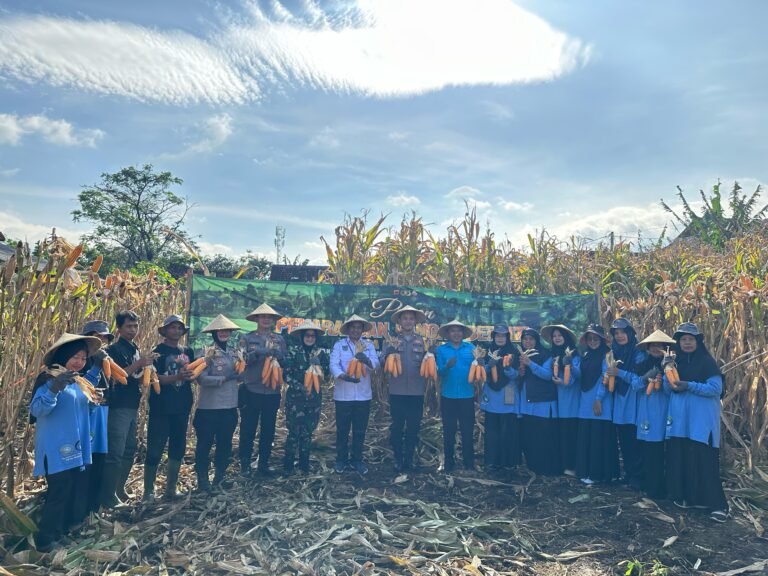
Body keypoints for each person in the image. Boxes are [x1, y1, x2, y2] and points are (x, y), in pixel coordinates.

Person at [30, 333, 102, 552]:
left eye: (83, 357)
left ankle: (59, 532)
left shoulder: (77, 381)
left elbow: (80, 408)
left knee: (69, 491)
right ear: (63, 356)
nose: (79, 361)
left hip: (75, 447)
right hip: (55, 447)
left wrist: (93, 403)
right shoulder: (50, 378)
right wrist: (54, 389)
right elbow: (37, 410)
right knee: (58, 493)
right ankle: (45, 539)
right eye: (75, 357)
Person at [664, 322, 728, 522]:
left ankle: (718, 506)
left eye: (691, 340)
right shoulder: (676, 364)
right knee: (685, 459)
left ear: (698, 342)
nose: (687, 343)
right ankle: (690, 498)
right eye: (683, 340)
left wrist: (688, 385)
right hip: (681, 423)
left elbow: (715, 389)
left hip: (701, 423)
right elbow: (670, 390)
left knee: (704, 461)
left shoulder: (707, 363)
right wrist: (668, 377)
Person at [101, 311, 155, 508]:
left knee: (129, 448)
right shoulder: (113, 350)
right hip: (118, 406)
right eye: (129, 326)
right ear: (119, 329)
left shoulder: (134, 349)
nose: (133, 330)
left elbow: (134, 377)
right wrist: (140, 363)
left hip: (132, 404)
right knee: (115, 451)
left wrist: (148, 373)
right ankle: (108, 496)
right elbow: (118, 376)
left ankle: (118, 488)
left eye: (135, 326)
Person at [145, 314, 195, 501]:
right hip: (161, 407)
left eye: (179, 327)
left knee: (178, 447)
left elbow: (192, 375)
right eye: (172, 327)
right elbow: (153, 379)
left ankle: (170, 489)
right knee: (155, 448)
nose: (176, 330)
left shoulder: (187, 351)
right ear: (165, 331)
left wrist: (190, 375)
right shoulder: (157, 352)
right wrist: (177, 377)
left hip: (182, 406)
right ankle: (148, 491)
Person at [194, 314, 243, 492]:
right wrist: (223, 378)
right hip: (209, 407)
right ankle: (202, 479)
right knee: (204, 444)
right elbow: (200, 378)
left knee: (225, 444)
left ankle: (220, 477)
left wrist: (241, 374)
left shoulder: (234, 352)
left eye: (226, 330)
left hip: (230, 406)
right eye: (220, 330)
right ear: (214, 332)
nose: (223, 333)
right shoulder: (206, 352)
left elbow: (239, 374)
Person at [238, 303, 287, 477]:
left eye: (269, 317)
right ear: (257, 319)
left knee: (268, 430)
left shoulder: (279, 340)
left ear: (273, 320)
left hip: (272, 391)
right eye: (263, 316)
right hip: (251, 389)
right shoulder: (247, 338)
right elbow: (241, 361)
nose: (266, 319)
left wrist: (278, 356)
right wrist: (259, 352)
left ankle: (263, 464)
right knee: (248, 429)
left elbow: (285, 362)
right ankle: (245, 464)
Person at [329, 314, 379, 474]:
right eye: (353, 327)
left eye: (359, 327)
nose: (356, 330)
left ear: (363, 330)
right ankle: (341, 460)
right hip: (343, 395)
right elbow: (333, 365)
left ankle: (357, 459)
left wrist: (367, 361)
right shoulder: (339, 345)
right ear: (348, 329)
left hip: (363, 395)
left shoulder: (369, 346)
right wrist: (344, 376)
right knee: (342, 429)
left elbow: (375, 365)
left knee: (360, 429)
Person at [506, 327, 559, 475]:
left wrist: (531, 364)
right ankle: (533, 467)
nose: (528, 342)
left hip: (542, 403)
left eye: (531, 339)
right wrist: (515, 371)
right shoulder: (517, 356)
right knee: (529, 438)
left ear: (537, 341)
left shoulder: (545, 355)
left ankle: (547, 469)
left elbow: (548, 375)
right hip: (525, 404)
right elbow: (515, 379)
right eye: (525, 339)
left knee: (543, 438)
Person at [382, 306, 429, 472]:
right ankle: (398, 458)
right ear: (400, 322)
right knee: (397, 426)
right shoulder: (391, 340)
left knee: (414, 427)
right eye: (405, 318)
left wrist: (432, 355)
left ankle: (409, 458)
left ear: (415, 322)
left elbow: (429, 365)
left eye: (411, 318)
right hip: (397, 391)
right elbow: (383, 364)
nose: (408, 321)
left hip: (417, 391)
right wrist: (387, 353)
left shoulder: (423, 342)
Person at [632, 329, 676, 499]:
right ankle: (650, 487)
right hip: (646, 412)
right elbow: (635, 386)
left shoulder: (672, 365)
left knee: (661, 452)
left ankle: (662, 488)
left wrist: (664, 375)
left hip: (664, 412)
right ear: (648, 348)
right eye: (653, 346)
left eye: (660, 345)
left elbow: (670, 390)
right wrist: (646, 378)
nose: (656, 348)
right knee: (649, 452)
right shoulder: (642, 365)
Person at [574, 324, 619, 484]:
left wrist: (599, 398)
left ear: (602, 340)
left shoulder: (607, 355)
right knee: (588, 436)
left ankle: (600, 474)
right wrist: (569, 366)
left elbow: (605, 377)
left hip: (600, 402)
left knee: (599, 436)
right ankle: (587, 472)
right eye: (590, 339)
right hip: (586, 402)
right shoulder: (585, 356)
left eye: (596, 339)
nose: (593, 342)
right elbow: (580, 375)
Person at [283, 320, 329, 474]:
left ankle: (304, 465)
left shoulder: (320, 354)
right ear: (302, 336)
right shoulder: (293, 352)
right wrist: (299, 387)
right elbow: (286, 375)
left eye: (313, 335)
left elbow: (327, 377)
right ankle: (288, 466)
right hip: (295, 399)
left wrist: (320, 367)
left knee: (308, 432)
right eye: (307, 335)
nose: (310, 338)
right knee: (293, 432)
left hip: (314, 399)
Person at [608, 318, 646, 490]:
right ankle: (629, 474)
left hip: (634, 402)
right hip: (620, 402)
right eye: (616, 333)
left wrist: (619, 373)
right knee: (624, 440)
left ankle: (637, 477)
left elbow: (639, 381)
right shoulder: (614, 353)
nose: (620, 336)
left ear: (630, 333)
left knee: (634, 441)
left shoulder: (639, 353)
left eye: (623, 332)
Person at [80, 320, 113, 513]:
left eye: (104, 338)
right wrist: (97, 367)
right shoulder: (79, 360)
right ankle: (81, 507)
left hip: (102, 412)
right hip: (87, 415)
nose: (101, 342)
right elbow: (82, 387)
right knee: (86, 459)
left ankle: (93, 506)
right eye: (97, 337)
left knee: (98, 458)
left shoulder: (104, 359)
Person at [435, 320, 476, 473]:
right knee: (449, 431)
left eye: (459, 331)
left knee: (467, 431)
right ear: (448, 334)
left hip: (467, 395)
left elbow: (479, 368)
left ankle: (469, 463)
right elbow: (438, 372)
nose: (456, 333)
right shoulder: (442, 350)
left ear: (463, 334)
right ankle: (448, 463)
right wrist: (447, 367)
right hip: (448, 396)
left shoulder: (471, 349)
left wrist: (484, 364)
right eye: (453, 331)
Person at [480, 324, 521, 473]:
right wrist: (487, 366)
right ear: (493, 337)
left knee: (507, 428)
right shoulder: (488, 352)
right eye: (497, 335)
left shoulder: (514, 352)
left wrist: (508, 369)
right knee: (492, 429)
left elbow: (517, 376)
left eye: (503, 336)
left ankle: (508, 461)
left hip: (508, 391)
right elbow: (481, 374)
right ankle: (492, 460)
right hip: (491, 392)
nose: (500, 338)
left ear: (507, 337)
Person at [542, 324, 579, 476]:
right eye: (554, 336)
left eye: (560, 335)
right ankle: (563, 465)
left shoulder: (575, 356)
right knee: (560, 435)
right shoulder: (552, 356)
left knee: (571, 434)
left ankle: (572, 466)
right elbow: (545, 373)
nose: (557, 338)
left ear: (566, 338)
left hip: (571, 403)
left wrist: (568, 364)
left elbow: (576, 377)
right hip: (556, 402)